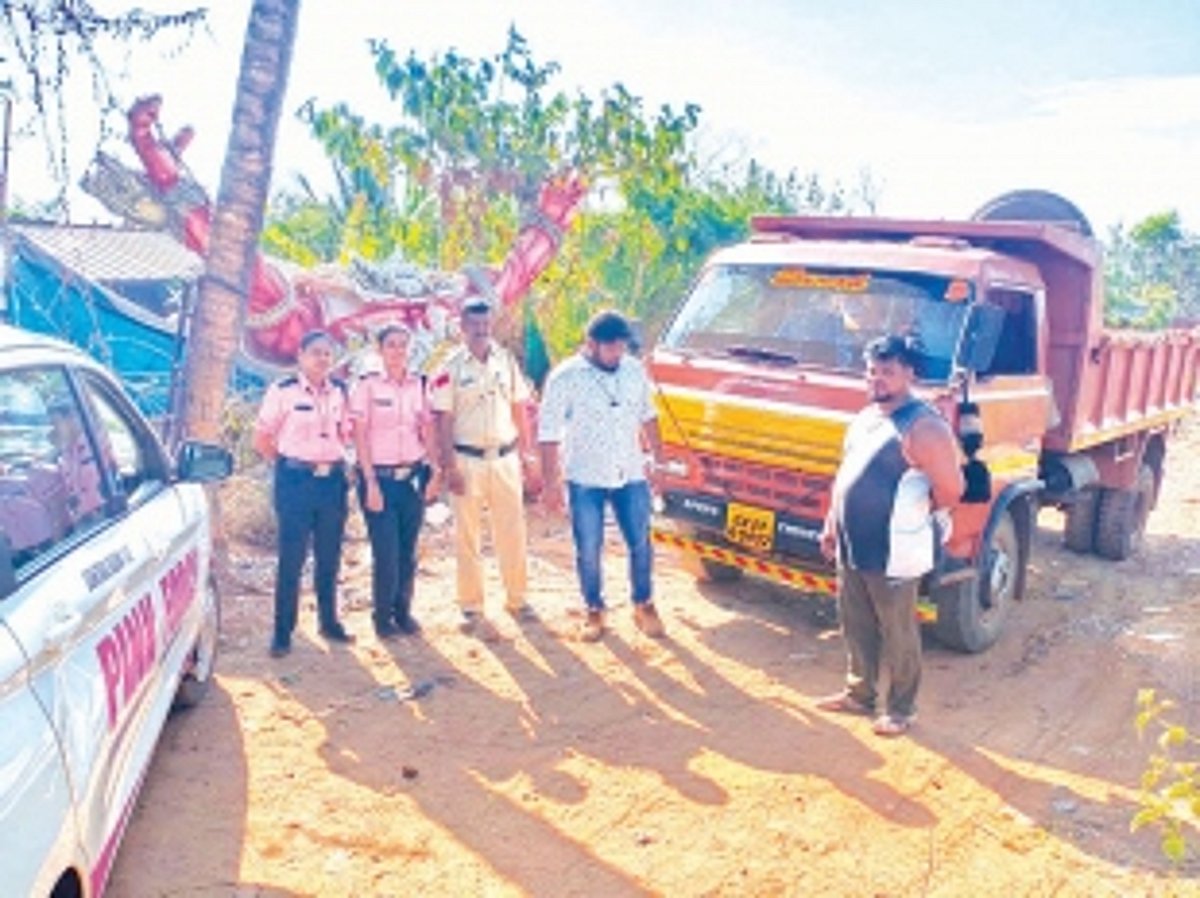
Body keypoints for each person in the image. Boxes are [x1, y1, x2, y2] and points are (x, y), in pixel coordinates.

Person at [817, 334, 964, 736]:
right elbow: (845, 475)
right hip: (853, 543)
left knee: (898, 629)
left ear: (910, 375)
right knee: (856, 621)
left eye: (888, 372)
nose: (877, 380)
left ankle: (902, 709)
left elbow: (952, 490)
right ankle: (859, 694)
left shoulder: (924, 426)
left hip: (895, 549)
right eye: (872, 372)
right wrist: (832, 524)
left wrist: (914, 516)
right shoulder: (867, 418)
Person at [538, 310, 666, 642]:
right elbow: (548, 432)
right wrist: (550, 484)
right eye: (611, 348)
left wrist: (659, 461)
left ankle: (644, 603)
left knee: (640, 542)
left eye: (622, 347)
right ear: (591, 344)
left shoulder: (634, 371)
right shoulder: (565, 377)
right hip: (585, 476)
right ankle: (594, 609)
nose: (617, 354)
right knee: (589, 547)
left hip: (630, 471)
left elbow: (649, 417)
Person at [430, 297, 538, 641]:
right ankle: (471, 606)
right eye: (474, 325)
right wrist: (448, 466)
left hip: (505, 457)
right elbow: (442, 420)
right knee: (468, 536)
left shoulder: (505, 361)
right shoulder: (449, 368)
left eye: (485, 325)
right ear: (462, 327)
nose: (481, 331)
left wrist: (526, 452)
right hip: (467, 460)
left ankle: (518, 600)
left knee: (513, 531)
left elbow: (519, 406)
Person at [253, 330, 355, 657]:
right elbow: (263, 438)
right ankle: (283, 631)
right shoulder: (283, 391)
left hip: (332, 482)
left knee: (329, 555)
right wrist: (289, 465)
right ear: (300, 355)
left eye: (327, 353)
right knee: (291, 558)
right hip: (296, 481)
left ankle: (329, 621)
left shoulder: (341, 390)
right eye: (316, 352)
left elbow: (347, 433)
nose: (322, 359)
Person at [350, 324, 436, 640]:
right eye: (391, 345)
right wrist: (369, 481)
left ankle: (403, 612)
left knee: (407, 551)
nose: (398, 351)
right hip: (380, 479)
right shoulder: (368, 386)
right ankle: (382, 617)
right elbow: (359, 435)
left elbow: (427, 430)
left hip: (412, 477)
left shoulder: (419, 384)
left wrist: (435, 472)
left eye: (403, 344)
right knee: (385, 551)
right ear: (380, 350)